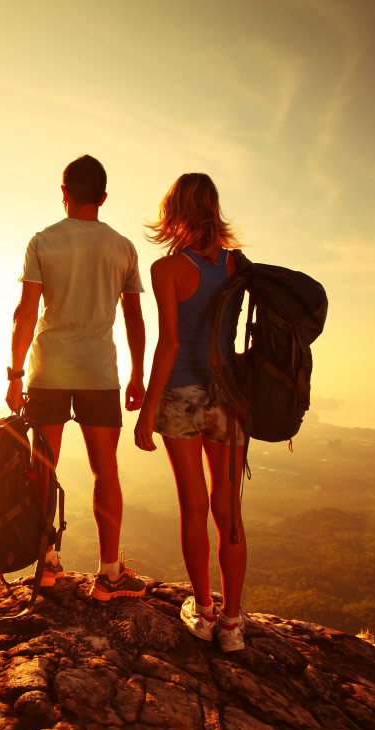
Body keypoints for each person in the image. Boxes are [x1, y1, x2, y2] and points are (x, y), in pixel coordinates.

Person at [6, 154, 147, 601]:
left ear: (63, 192)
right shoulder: (123, 247)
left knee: (42, 468)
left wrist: (14, 373)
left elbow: (26, 313)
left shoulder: (43, 242)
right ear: (103, 197)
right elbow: (135, 320)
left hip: (48, 370)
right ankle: (109, 573)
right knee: (105, 470)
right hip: (99, 373)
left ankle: (46, 566)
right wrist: (138, 374)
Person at [132, 172, 248, 651]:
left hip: (181, 394)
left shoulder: (167, 270)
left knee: (194, 507)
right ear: (214, 207)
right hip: (229, 395)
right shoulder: (238, 264)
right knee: (230, 510)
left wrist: (145, 414)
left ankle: (202, 612)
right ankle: (234, 624)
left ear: (174, 210)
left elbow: (170, 344)